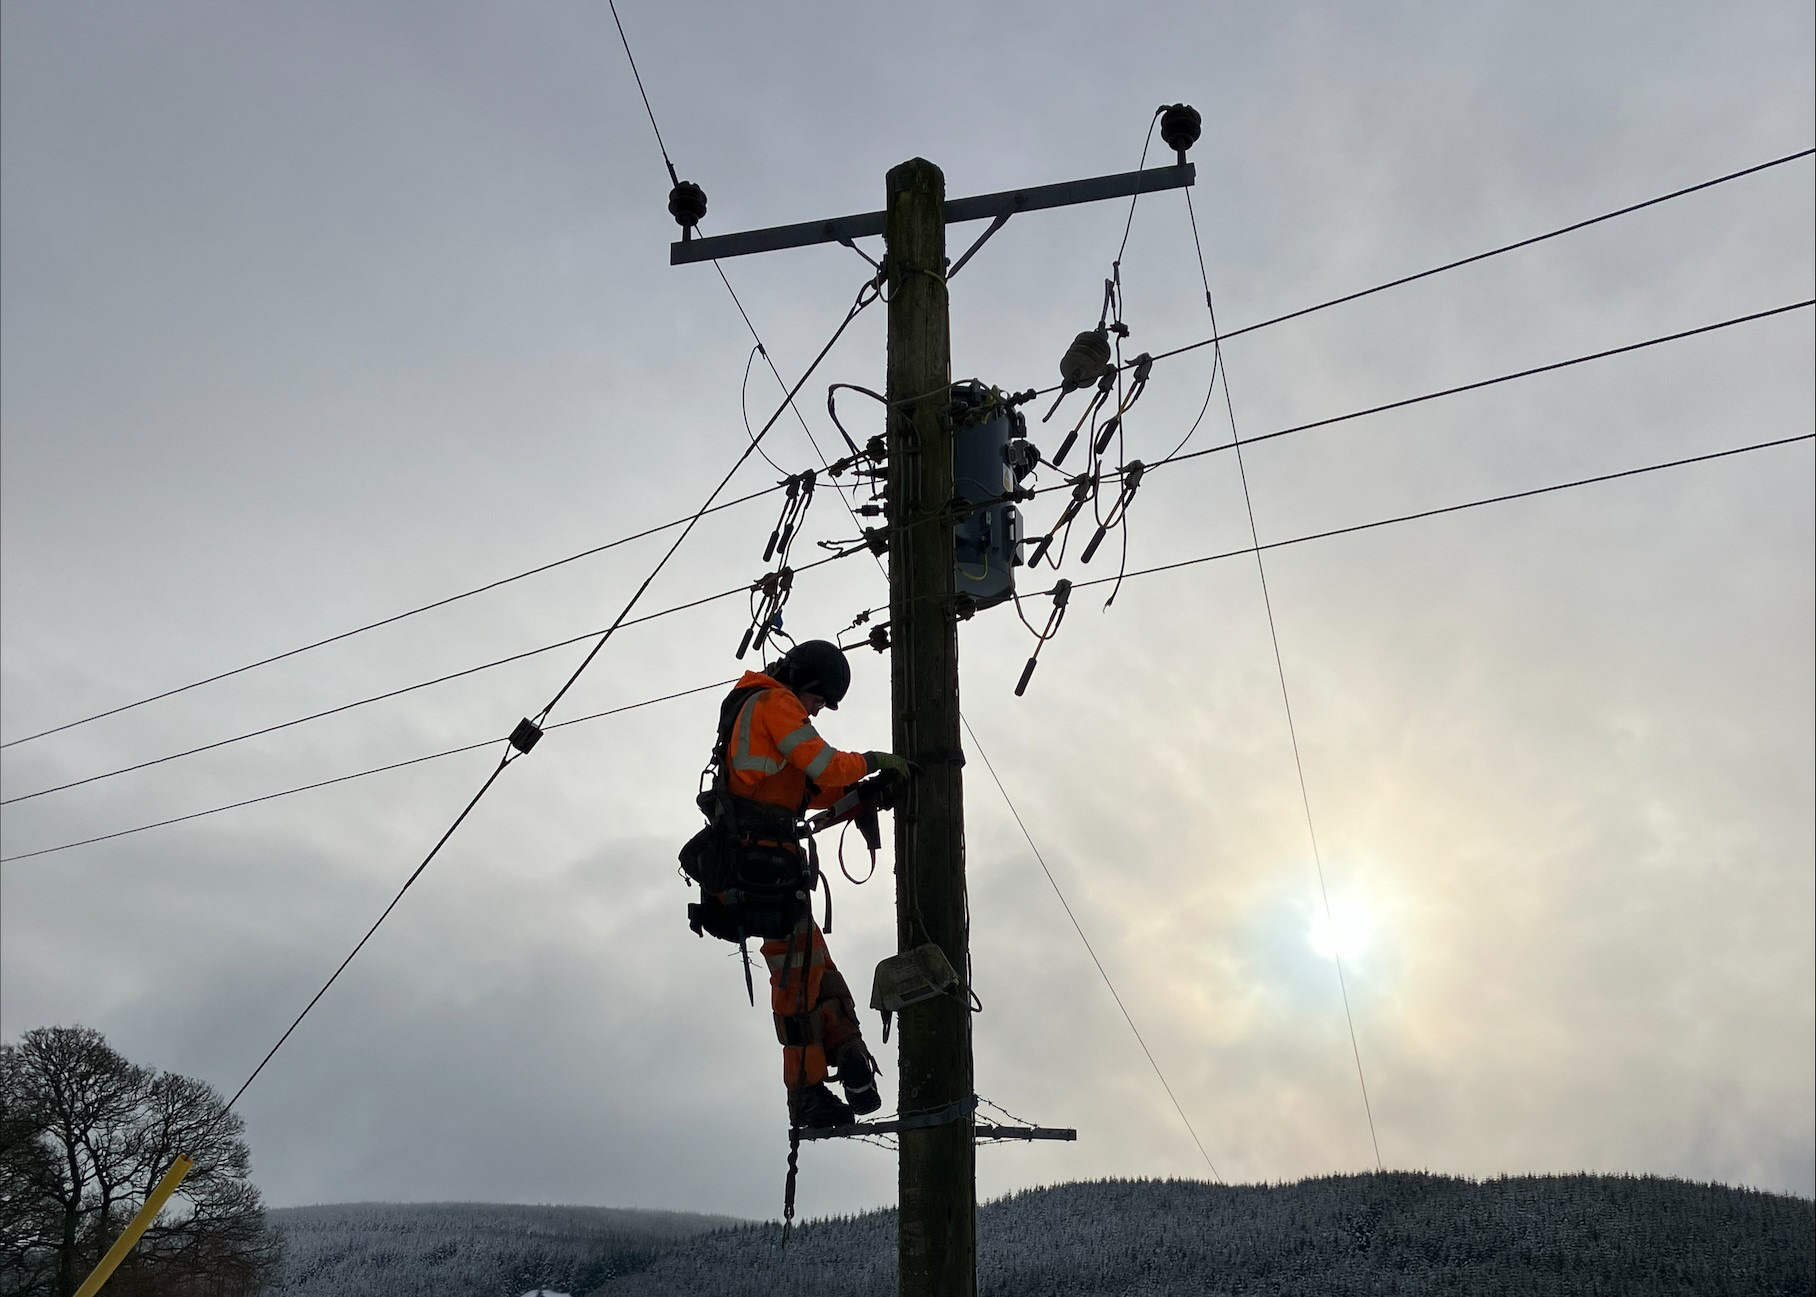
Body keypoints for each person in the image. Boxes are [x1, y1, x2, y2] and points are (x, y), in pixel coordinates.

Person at [695, 639, 911, 1130]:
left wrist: (862, 792)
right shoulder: (774, 703)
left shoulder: (762, 709)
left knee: (813, 969)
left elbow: (809, 788)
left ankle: (845, 1050)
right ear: (805, 682)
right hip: (763, 868)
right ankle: (806, 1092)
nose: (818, 711)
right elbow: (823, 764)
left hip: (770, 868)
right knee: (797, 981)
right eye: (820, 700)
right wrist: (872, 761)